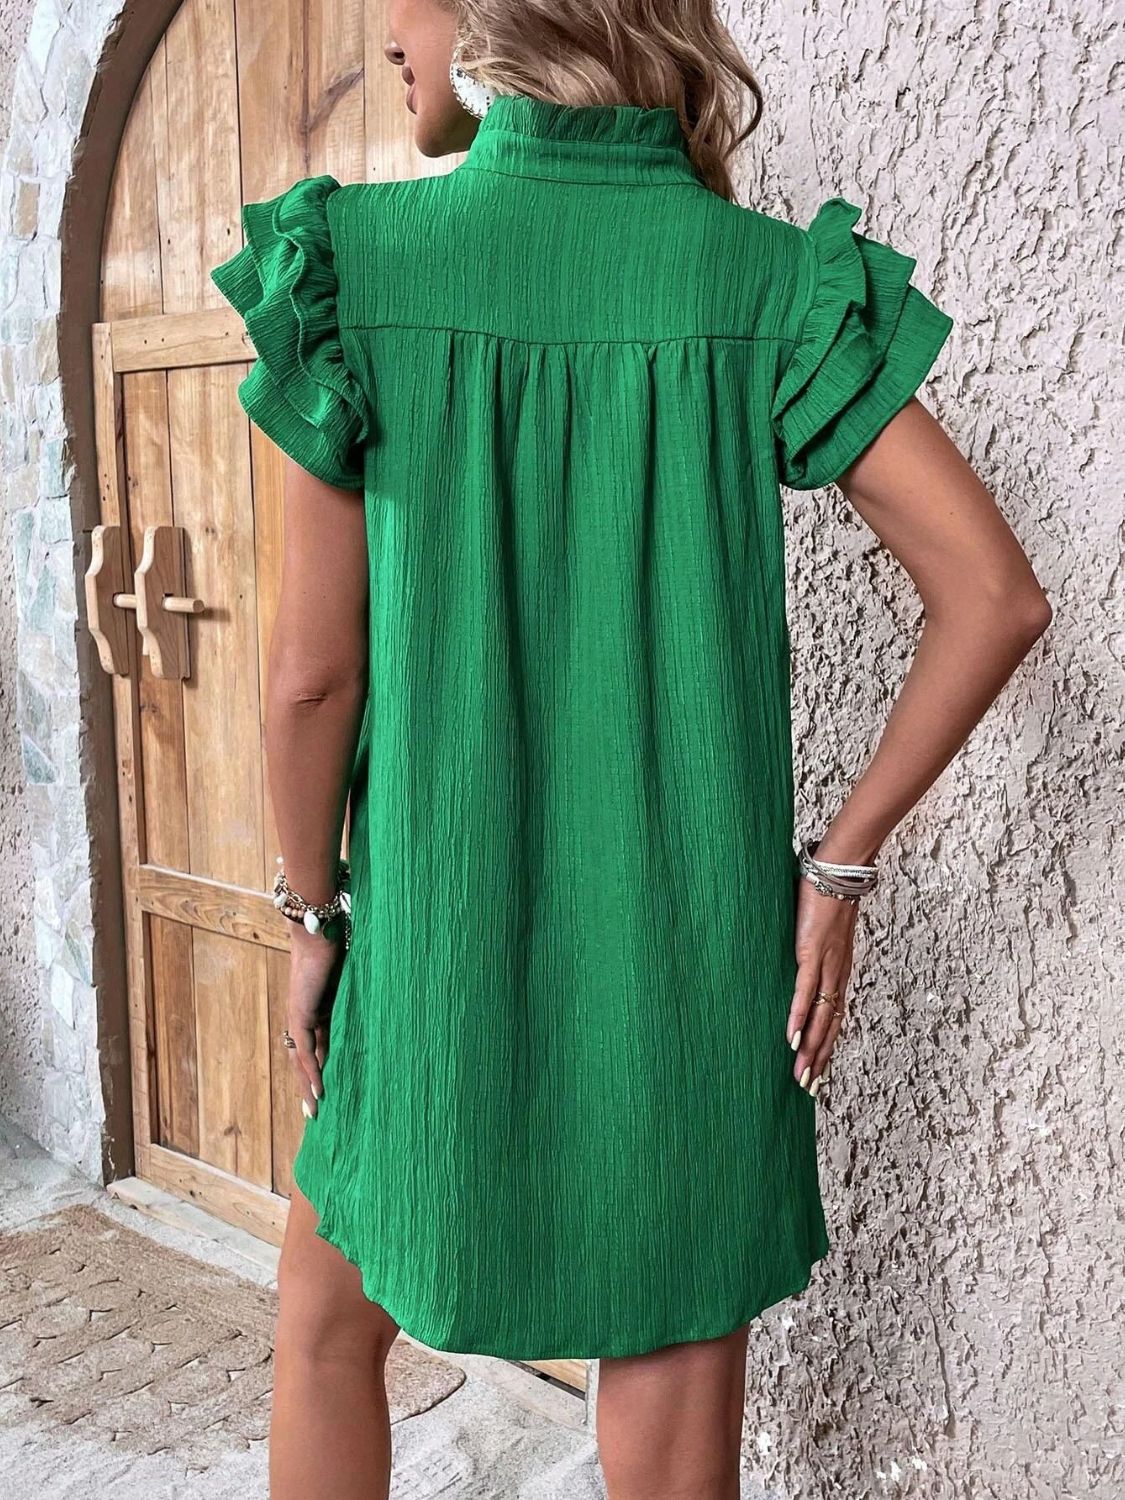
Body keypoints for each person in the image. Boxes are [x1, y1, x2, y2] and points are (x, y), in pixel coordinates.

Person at [210, 3, 1051, 1496]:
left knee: (327, 1337)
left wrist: (311, 913)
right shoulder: (767, 283)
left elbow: (309, 682)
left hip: (429, 947)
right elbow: (993, 597)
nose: (387, 27)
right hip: (691, 975)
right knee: (668, 1412)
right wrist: (836, 870)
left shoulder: (356, 265)